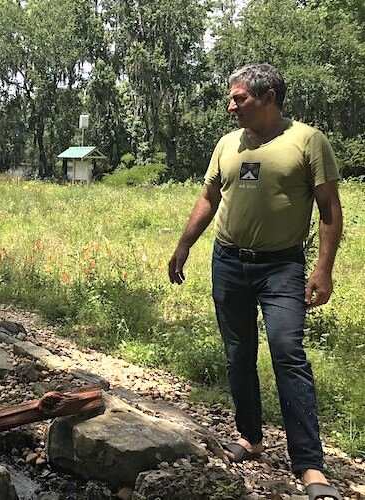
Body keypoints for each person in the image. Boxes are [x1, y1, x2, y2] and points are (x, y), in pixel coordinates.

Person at [167, 63, 343, 500]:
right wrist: (184, 244)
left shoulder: (306, 141)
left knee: (287, 352)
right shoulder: (228, 144)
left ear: (268, 98)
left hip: (282, 267)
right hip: (228, 262)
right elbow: (209, 197)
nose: (231, 106)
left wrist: (323, 268)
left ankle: (310, 466)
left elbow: (329, 210)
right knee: (238, 352)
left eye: (239, 98)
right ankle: (250, 437)